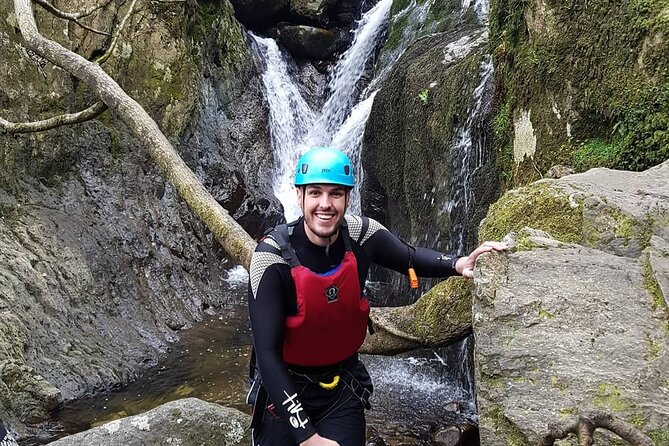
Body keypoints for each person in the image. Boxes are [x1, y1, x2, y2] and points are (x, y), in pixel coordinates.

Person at [247, 146, 506, 446]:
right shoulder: (271, 257)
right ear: (299, 196)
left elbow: (408, 256)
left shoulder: (360, 233)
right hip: (283, 394)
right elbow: (267, 356)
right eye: (315, 193)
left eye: (335, 194)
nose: (325, 204)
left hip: (340, 389)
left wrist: (458, 263)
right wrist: (307, 437)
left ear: (347, 198)